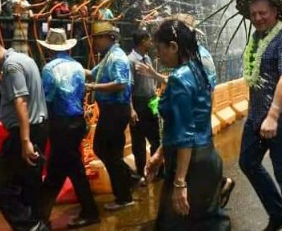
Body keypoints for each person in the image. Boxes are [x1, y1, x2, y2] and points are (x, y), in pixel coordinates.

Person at [144, 19, 231, 231]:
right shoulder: (198, 68)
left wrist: (180, 182)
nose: (158, 55)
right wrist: (160, 155)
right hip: (206, 156)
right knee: (205, 221)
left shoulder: (180, 79)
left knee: (177, 224)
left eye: (160, 49)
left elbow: (184, 133)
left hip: (191, 165)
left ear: (173, 47)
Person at [236, 0, 282, 231]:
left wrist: (273, 115)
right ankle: (277, 213)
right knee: (247, 162)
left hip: (280, 117)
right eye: (253, 14)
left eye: (262, 12)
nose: (257, 17)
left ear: (274, 12)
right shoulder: (255, 39)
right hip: (255, 116)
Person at [0, 38, 49, 231]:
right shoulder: (25, 59)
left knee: (0, 185)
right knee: (29, 182)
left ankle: (30, 226)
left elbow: (21, 101)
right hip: (38, 126)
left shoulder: (12, 66)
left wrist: (24, 141)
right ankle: (39, 223)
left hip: (23, 132)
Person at [39, 29, 100, 229]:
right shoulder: (78, 67)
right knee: (67, 169)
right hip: (77, 121)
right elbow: (82, 92)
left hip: (60, 123)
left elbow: (46, 99)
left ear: (49, 49)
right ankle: (43, 216)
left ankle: (41, 219)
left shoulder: (49, 69)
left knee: (63, 171)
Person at [85, 21, 136, 211]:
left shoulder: (117, 58)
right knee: (110, 152)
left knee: (103, 148)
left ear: (109, 38)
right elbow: (93, 74)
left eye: (98, 38)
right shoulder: (107, 57)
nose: (95, 42)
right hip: (110, 110)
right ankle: (128, 182)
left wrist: (93, 88)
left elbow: (121, 83)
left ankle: (125, 191)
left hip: (115, 110)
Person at [128, 29, 162, 182]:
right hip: (138, 102)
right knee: (138, 141)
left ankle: (157, 170)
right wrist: (131, 109)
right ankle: (142, 172)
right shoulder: (130, 61)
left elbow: (153, 81)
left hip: (151, 100)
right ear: (142, 42)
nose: (151, 43)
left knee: (156, 138)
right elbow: (128, 88)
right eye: (149, 40)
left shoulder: (147, 58)